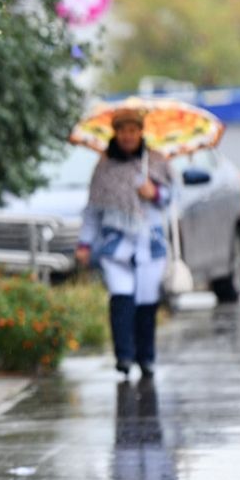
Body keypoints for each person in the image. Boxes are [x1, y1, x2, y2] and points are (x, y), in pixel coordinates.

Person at [75, 108, 172, 378]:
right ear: (115, 134)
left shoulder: (155, 161)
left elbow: (170, 198)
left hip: (149, 244)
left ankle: (147, 357)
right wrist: (84, 244)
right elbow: (93, 209)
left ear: (141, 132)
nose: (128, 136)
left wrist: (154, 193)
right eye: (122, 131)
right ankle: (124, 355)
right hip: (116, 244)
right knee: (121, 297)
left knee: (146, 300)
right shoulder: (104, 167)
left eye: (133, 130)